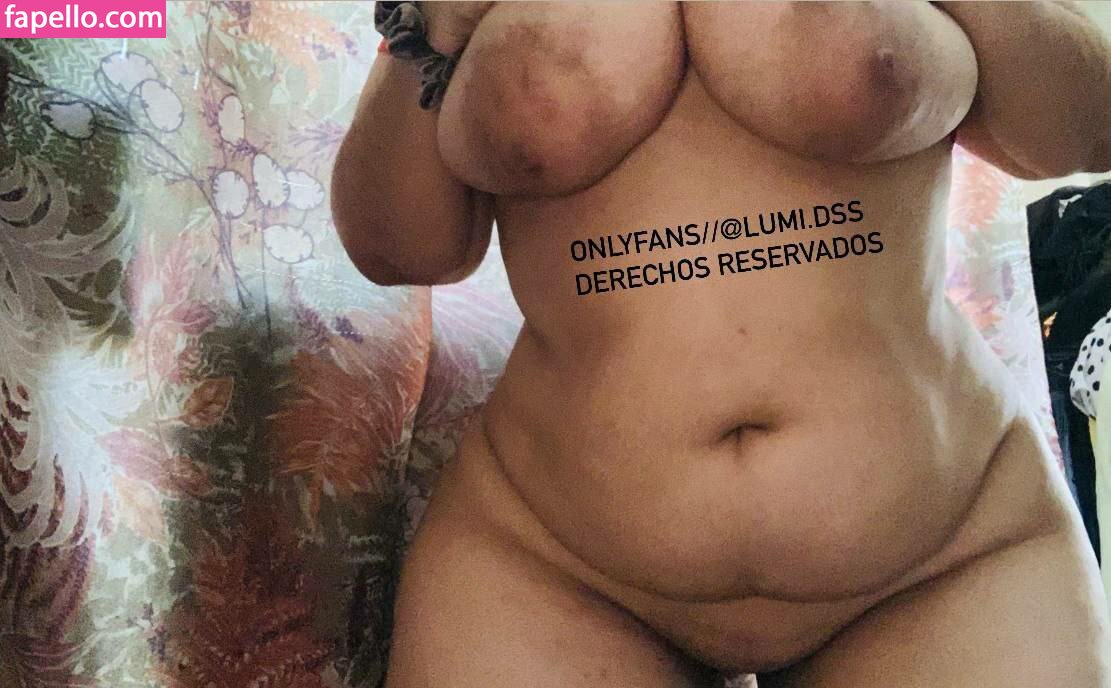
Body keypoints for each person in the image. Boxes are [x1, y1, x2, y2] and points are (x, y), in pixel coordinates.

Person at [331, 2, 1111, 685]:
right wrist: (430, 28)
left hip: (942, 554)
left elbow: (1085, 129)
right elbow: (398, 250)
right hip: (556, 562)